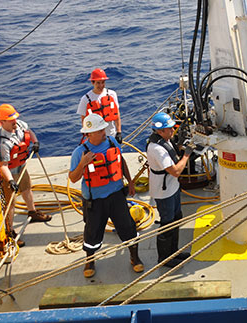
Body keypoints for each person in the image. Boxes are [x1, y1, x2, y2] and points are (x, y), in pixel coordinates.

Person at [69, 113, 143, 278]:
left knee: (127, 226)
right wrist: (83, 163)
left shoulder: (112, 142)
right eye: (100, 130)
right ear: (89, 134)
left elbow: (120, 161)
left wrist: (130, 181)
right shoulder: (79, 152)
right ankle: (90, 260)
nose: (104, 132)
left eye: (103, 129)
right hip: (95, 201)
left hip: (116, 196)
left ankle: (134, 256)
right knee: (92, 232)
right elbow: (73, 178)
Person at [0, 104, 52, 246]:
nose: (15, 121)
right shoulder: (3, 142)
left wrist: (35, 142)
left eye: (15, 118)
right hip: (11, 172)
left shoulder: (19, 125)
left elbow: (29, 131)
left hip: (21, 167)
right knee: (11, 202)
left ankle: (32, 212)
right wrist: (10, 181)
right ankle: (10, 231)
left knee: (27, 188)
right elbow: (3, 165)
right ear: (2, 122)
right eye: (11, 120)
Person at [146, 112, 193, 268]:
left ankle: (174, 252)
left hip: (172, 188)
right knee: (167, 224)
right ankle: (164, 258)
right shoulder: (156, 149)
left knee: (176, 218)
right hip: (163, 192)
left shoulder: (165, 140)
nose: (173, 130)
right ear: (160, 131)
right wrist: (187, 154)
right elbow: (175, 171)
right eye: (169, 129)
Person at [77, 68, 123, 144]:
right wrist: (88, 137)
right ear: (92, 82)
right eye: (98, 83)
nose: (101, 85)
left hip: (111, 134)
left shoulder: (112, 94)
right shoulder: (85, 99)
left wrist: (119, 132)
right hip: (95, 138)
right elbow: (84, 120)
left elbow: (117, 114)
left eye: (103, 82)